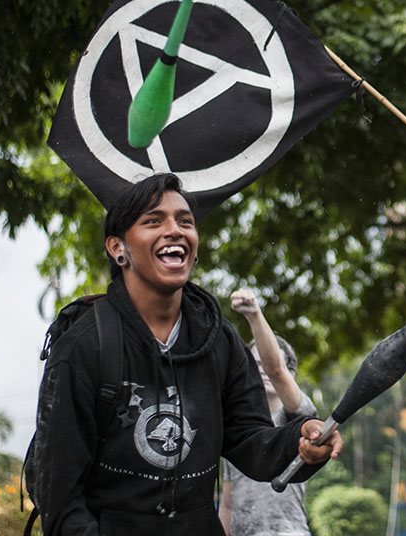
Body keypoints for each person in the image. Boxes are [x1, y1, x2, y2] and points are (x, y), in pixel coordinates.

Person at [31, 173, 342, 535]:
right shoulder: (85, 346)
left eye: (185, 221)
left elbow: (251, 441)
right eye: (153, 221)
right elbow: (60, 497)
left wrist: (299, 439)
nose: (175, 230)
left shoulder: (218, 339)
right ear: (118, 249)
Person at [218, 288, 317, 536]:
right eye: (255, 365)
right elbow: (227, 502)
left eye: (266, 362)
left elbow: (276, 371)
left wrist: (254, 315)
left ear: (291, 374)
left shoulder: (299, 417)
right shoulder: (236, 428)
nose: (262, 370)